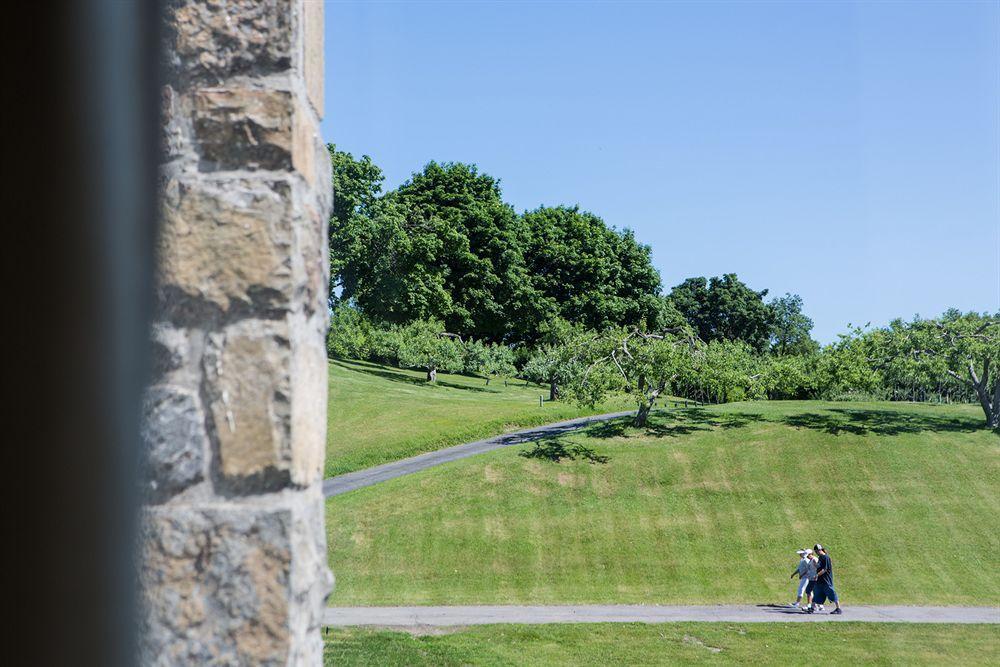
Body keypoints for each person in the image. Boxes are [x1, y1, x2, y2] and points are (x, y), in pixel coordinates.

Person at [809, 544, 842, 614]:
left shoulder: (826, 557)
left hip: (826, 580)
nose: (816, 553)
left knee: (832, 593)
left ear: (820, 550)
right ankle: (812, 608)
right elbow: (819, 566)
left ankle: (838, 609)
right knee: (817, 593)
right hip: (820, 580)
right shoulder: (820, 557)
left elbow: (825, 569)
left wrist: (817, 575)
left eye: (817, 551)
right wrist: (814, 563)